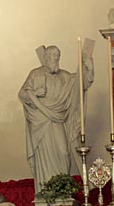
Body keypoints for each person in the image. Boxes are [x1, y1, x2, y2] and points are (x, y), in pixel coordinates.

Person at [19, 44, 94, 193]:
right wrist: (35, 94)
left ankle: (62, 190)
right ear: (46, 58)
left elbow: (81, 84)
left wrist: (89, 68)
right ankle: (46, 191)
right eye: (53, 56)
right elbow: (22, 94)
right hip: (40, 123)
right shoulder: (35, 74)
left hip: (58, 120)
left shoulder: (64, 76)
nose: (56, 60)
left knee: (63, 152)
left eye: (58, 57)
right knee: (44, 157)